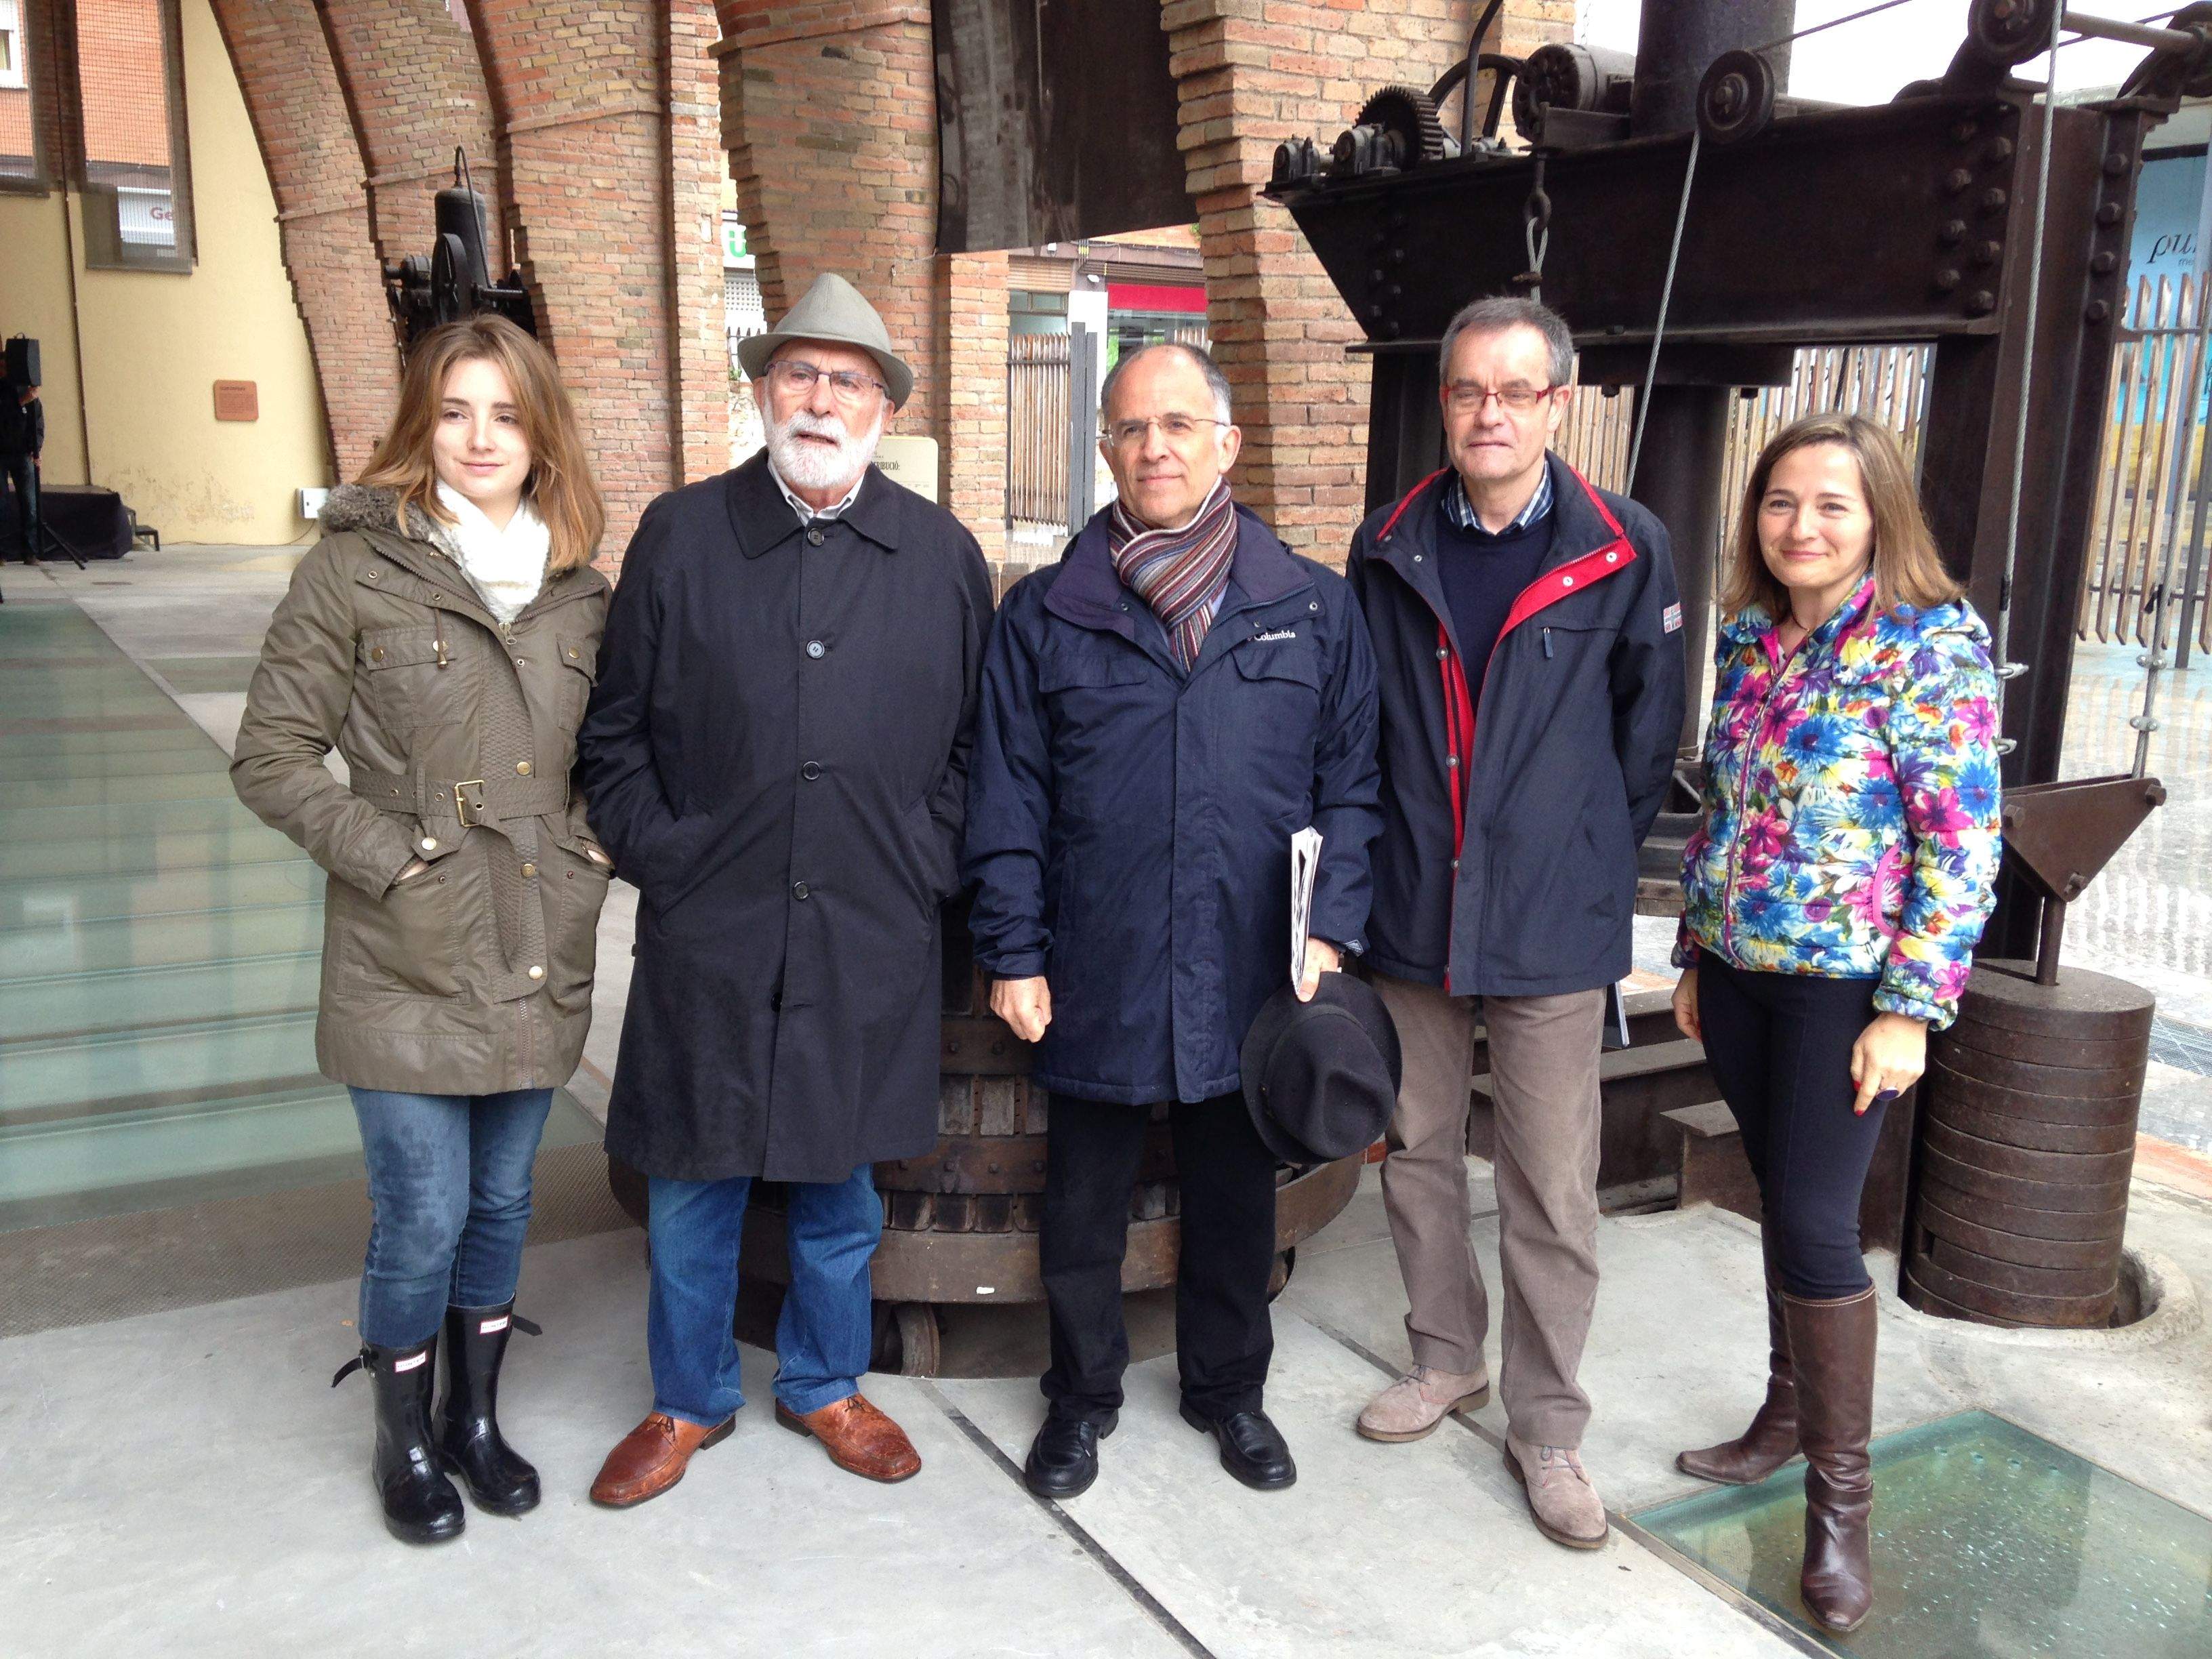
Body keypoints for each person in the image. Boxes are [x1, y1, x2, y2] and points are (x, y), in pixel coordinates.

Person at [577, 273, 992, 1507]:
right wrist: (668, 853)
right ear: (763, 392)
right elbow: (614, 736)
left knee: (840, 1183)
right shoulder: (679, 536)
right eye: (799, 373)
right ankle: (688, 1396)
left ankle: (823, 1381)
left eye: (847, 380)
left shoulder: (941, 556)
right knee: (690, 1183)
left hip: (870, 922)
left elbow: (978, 752)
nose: (820, 398)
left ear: (883, 408)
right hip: (713, 923)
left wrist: (922, 860)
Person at [964, 342, 1381, 1500]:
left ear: (1225, 444)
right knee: (1082, 1201)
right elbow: (1007, 794)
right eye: (1132, 428)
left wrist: (1328, 927)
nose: (1155, 447)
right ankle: (1079, 1396)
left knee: (1234, 1195)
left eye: (1179, 424)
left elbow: (1354, 783)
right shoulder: (1044, 614)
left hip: (1254, 960)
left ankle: (1227, 1392)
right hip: (1096, 950)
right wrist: (1012, 948)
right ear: (1105, 447)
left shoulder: (1311, 606)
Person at [231, 314, 612, 1544]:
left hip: (535, 936)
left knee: (501, 1204)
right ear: (419, 425)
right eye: (454, 412)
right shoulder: (353, 569)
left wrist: (591, 850)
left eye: (506, 413)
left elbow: (615, 752)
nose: (480, 437)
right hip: (403, 950)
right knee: (424, 1212)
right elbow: (272, 755)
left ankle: (472, 1419)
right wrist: (390, 858)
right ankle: (401, 1438)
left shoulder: (581, 590)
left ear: (541, 432)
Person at [1344, 297, 1685, 1549]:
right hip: (1414, 905)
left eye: (1515, 390)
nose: (1490, 412)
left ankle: (1546, 1424)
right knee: (1418, 1149)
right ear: (1444, 403)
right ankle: (1446, 1357)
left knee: (1550, 1180)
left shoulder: (1626, 544)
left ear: (1557, 404)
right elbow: (1362, 722)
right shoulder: (1386, 542)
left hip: (1549, 917)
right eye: (1467, 390)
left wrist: (1575, 852)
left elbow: (1647, 739)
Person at [1670, 411, 2001, 1633]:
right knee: (1778, 1196)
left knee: (1814, 1224)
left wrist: (1910, 1009)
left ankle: (1838, 1507)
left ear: (1877, 518)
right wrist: (1694, 950)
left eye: (1829, 504)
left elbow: (1962, 844)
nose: (1799, 525)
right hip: (1738, 971)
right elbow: (1723, 808)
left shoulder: (1927, 646)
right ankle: (1781, 1411)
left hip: (1843, 988)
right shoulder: (1751, 637)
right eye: (1779, 502)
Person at [0, 374, 43, 562]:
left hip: (23, 454)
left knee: (29, 505)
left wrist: (36, 449)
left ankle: (30, 551)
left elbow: (38, 424)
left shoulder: (27, 391)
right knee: (1, 504)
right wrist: (20, 403)